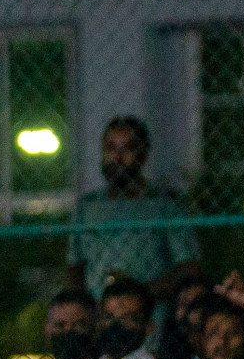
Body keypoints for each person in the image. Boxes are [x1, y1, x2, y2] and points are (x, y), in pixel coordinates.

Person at [67, 116, 200, 302]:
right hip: (99, 316)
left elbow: (188, 268)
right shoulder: (87, 207)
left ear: (143, 155)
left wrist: (137, 295)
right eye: (110, 149)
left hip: (150, 316)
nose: (118, 157)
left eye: (127, 148)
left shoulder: (164, 205)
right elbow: (75, 267)